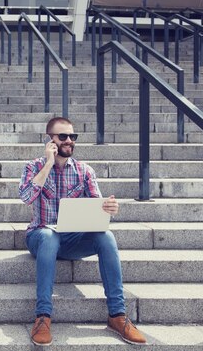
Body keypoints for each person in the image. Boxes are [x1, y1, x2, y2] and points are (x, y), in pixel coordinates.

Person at [18, 117, 147, 346]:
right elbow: (27, 197)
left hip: (72, 239)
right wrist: (48, 163)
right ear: (51, 140)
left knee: (106, 236)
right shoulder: (33, 167)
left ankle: (117, 315)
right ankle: (43, 317)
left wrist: (107, 208)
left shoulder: (84, 171)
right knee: (49, 235)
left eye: (73, 137)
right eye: (63, 136)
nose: (69, 141)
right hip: (40, 237)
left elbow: (96, 210)